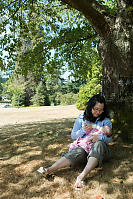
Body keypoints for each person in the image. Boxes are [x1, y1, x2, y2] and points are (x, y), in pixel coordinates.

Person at [37, 94, 112, 189]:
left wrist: (100, 137)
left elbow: (110, 138)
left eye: (101, 110)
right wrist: (83, 130)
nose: (98, 112)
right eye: (96, 109)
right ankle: (49, 170)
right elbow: (73, 136)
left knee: (99, 144)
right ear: (90, 107)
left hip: (100, 152)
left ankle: (81, 177)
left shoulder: (105, 121)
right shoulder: (81, 118)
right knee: (78, 151)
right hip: (85, 149)